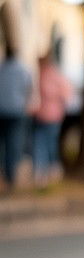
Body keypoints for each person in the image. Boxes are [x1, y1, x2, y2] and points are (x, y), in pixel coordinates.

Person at [31, 52, 74, 185]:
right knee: (42, 143)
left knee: (48, 143)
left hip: (51, 115)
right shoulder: (44, 75)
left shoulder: (49, 76)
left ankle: (51, 168)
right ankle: (42, 170)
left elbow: (66, 93)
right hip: (42, 115)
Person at [0, 44, 33, 190]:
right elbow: (28, 89)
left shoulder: (1, 69)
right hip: (17, 111)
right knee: (14, 143)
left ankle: (4, 174)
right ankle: (10, 176)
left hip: (2, 110)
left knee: (2, 143)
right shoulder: (23, 70)